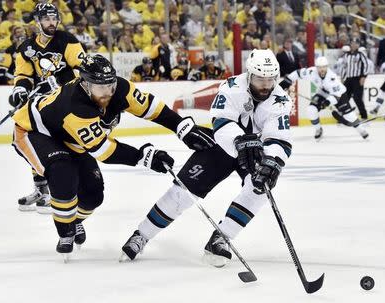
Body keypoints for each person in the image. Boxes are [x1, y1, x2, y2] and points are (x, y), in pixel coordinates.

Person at [12, 54, 216, 257]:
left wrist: (180, 126)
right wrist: (144, 156)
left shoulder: (119, 88)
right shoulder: (75, 106)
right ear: (85, 84)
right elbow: (103, 151)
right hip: (34, 132)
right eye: (101, 87)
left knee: (93, 195)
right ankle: (66, 232)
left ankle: (75, 221)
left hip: (71, 139)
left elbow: (151, 107)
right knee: (63, 172)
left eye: (110, 85)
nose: (108, 92)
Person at [120, 49, 292, 267]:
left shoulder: (280, 99)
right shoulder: (231, 88)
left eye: (270, 79)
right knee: (182, 194)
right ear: (249, 75)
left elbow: (279, 137)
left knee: (260, 186)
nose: (265, 85)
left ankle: (222, 237)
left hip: (254, 150)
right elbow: (220, 123)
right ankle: (141, 235)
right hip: (222, 146)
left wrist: (273, 161)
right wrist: (240, 140)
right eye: (260, 79)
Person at [9, 3, 86, 214]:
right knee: (28, 141)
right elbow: (23, 76)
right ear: (38, 21)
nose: (52, 23)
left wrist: (55, 83)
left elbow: (83, 70)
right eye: (47, 19)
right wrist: (20, 90)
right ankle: (41, 189)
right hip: (41, 104)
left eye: (54, 18)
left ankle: (58, 190)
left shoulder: (67, 41)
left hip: (67, 102)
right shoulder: (26, 48)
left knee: (57, 146)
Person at [280, 56, 368, 141]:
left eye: (324, 67)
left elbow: (336, 96)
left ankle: (361, 130)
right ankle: (318, 129)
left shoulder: (332, 78)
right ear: (316, 67)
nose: (322, 69)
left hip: (339, 95)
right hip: (323, 93)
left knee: (349, 116)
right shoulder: (311, 71)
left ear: (327, 67)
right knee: (311, 110)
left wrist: (326, 103)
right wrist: (287, 81)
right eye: (319, 67)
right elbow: (298, 73)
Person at [339, 38, 369, 120]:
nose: (354, 45)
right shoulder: (346, 55)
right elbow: (344, 67)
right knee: (344, 98)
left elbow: (366, 65)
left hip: (357, 79)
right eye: (352, 43)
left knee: (357, 98)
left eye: (356, 43)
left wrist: (363, 76)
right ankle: (345, 115)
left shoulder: (360, 54)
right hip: (348, 79)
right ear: (350, 44)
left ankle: (364, 116)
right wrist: (342, 77)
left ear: (358, 45)